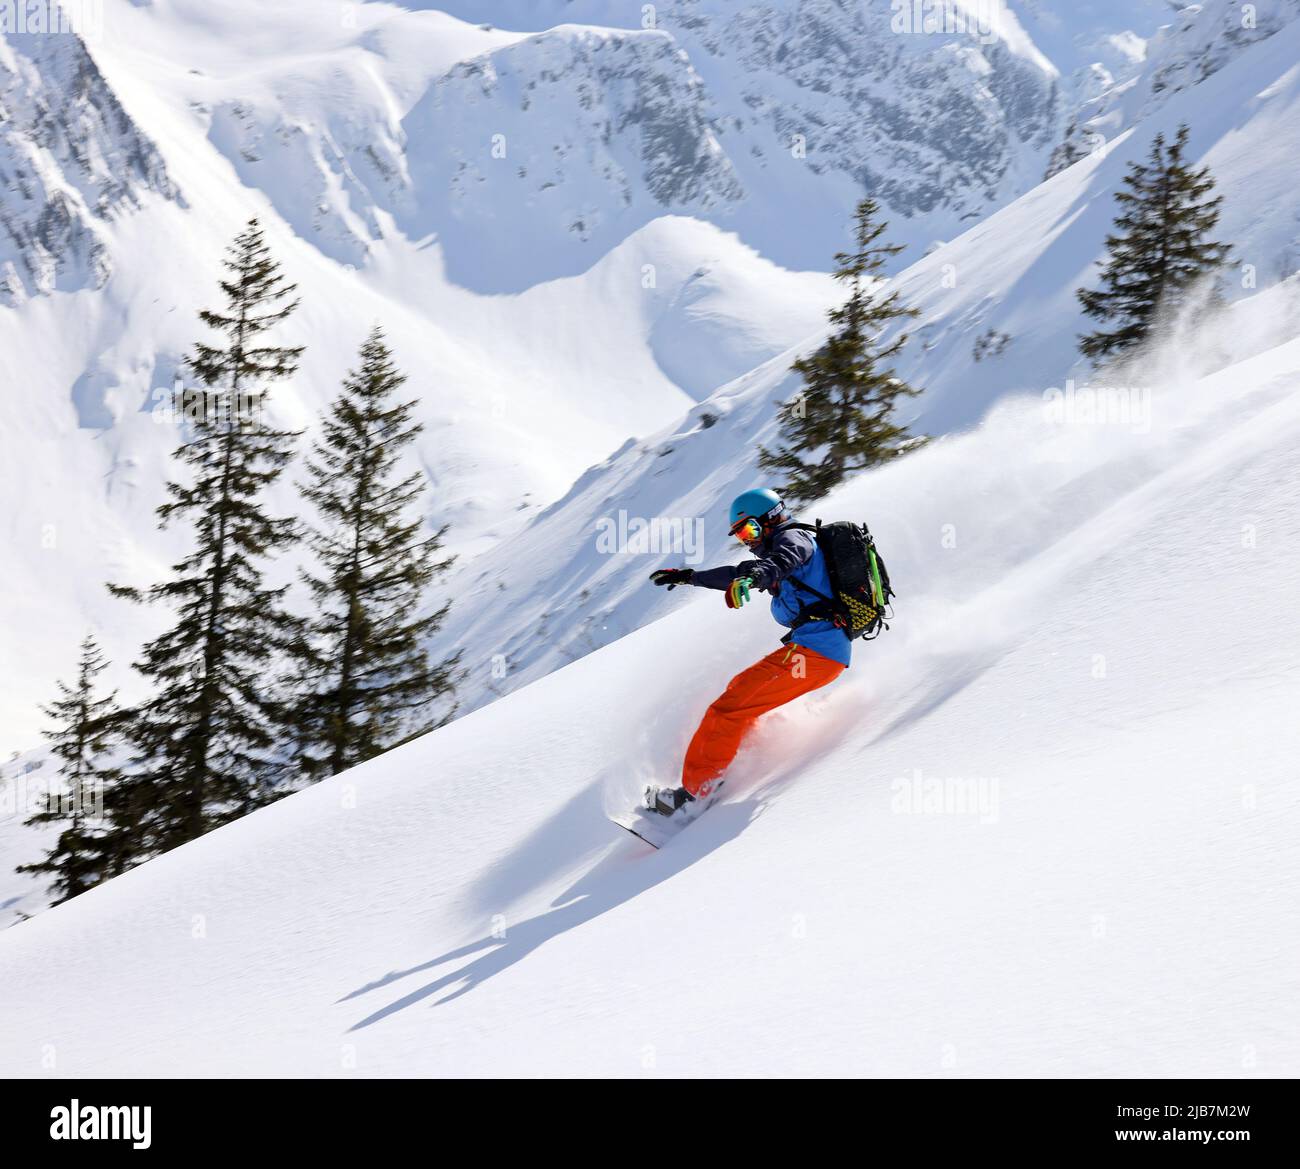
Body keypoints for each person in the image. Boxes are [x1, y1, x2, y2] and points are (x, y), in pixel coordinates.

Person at [647, 488, 849, 816]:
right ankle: (730, 765)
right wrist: (690, 577)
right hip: (814, 654)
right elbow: (737, 572)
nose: (747, 540)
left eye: (749, 530)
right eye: (741, 534)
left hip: (814, 654)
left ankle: (692, 796)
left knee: (727, 709)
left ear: (770, 519)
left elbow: (784, 560)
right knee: (738, 693)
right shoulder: (776, 553)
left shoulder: (794, 539)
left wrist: (758, 574)